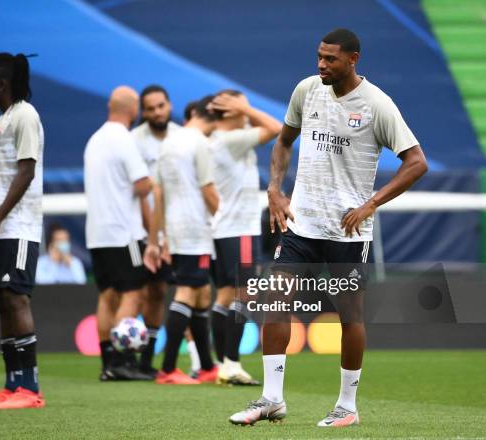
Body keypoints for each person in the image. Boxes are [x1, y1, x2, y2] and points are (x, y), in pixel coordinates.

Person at [229, 29, 427, 426]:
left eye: (330, 59)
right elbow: (283, 141)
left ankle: (348, 407)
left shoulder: (376, 105)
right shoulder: (306, 90)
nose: (321, 64)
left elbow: (416, 162)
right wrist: (274, 190)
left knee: (350, 317)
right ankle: (270, 398)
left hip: (347, 234)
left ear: (353, 59)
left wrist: (370, 204)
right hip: (302, 223)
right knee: (276, 301)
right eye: (319, 57)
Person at [0, 52, 46, 410]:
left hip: (18, 226)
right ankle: (11, 386)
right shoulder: (3, 120)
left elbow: (26, 172)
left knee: (16, 298)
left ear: (2, 85)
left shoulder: (26, 116)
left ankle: (30, 390)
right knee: (2, 301)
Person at [207, 90, 282, 385]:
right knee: (244, 294)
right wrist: (245, 108)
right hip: (240, 229)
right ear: (232, 110)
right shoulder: (230, 140)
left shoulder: (220, 139)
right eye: (243, 105)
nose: (249, 110)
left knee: (225, 294)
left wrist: (242, 110)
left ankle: (220, 362)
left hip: (224, 229)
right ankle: (231, 363)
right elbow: (275, 128)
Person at [144, 95, 220, 385]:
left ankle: (208, 366)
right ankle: (167, 368)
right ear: (212, 115)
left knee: (200, 294)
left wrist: (157, 237)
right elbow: (208, 191)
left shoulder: (170, 142)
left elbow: (159, 194)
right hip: (196, 227)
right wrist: (226, 221)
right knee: (188, 292)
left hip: (177, 228)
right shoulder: (199, 142)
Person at [84, 85, 153, 381]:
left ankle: (108, 363)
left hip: (97, 233)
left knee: (107, 295)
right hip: (124, 232)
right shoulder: (124, 139)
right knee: (133, 293)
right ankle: (122, 361)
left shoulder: (95, 139)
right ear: (133, 108)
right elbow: (142, 185)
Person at [131, 85, 181, 377]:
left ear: (169, 105)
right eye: (150, 108)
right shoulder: (134, 141)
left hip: (176, 229)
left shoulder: (182, 138)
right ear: (142, 111)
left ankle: (148, 359)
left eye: (160, 106)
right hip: (139, 231)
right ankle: (125, 360)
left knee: (162, 291)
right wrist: (153, 235)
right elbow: (138, 192)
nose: (156, 112)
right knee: (136, 293)